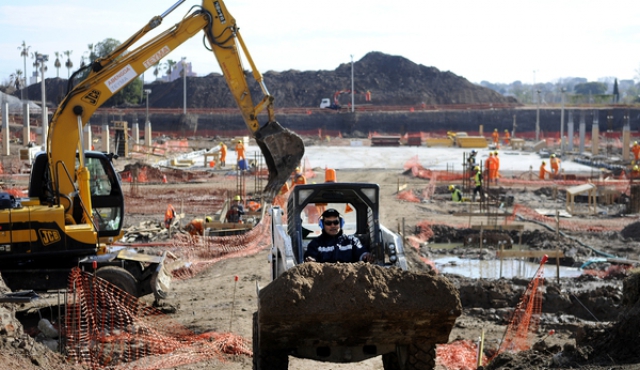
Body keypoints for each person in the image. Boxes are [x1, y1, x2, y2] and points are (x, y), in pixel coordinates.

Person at [304, 208, 372, 263]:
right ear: (322, 225)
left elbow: (361, 252)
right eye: (328, 223)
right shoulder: (315, 244)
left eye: (336, 222)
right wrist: (311, 260)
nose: (333, 226)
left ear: (341, 223)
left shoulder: (352, 241)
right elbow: (311, 257)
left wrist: (365, 256)